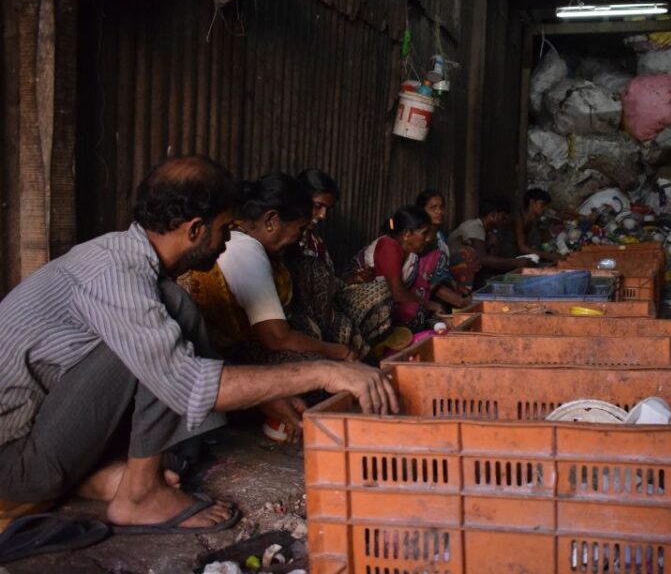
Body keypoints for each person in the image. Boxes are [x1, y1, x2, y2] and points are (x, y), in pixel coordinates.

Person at [0, 156, 396, 537]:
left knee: (177, 312)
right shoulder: (114, 274)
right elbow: (187, 384)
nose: (227, 241)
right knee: (162, 345)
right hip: (14, 462)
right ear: (194, 229)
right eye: (225, 228)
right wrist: (325, 371)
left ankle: (106, 477)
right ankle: (137, 495)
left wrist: (261, 397)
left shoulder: (127, 259)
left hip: (41, 430)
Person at [181, 173, 357, 363]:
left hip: (234, 348)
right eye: (299, 229)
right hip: (229, 356)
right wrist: (338, 351)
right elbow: (276, 337)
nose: (299, 238)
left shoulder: (244, 238)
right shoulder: (246, 249)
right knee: (320, 368)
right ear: (271, 220)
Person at [285, 170, 392, 359]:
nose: (323, 215)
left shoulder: (315, 241)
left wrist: (349, 280)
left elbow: (325, 282)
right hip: (299, 310)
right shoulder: (286, 238)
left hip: (327, 303)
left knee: (379, 291)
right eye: (318, 206)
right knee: (342, 329)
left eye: (327, 209)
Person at [345, 206, 442, 332]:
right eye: (424, 233)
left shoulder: (410, 253)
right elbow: (398, 294)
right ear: (407, 234)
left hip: (384, 304)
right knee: (413, 311)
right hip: (359, 306)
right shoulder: (389, 246)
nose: (428, 239)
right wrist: (430, 305)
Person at [448, 195, 532, 288]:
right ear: (493, 215)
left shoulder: (489, 232)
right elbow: (483, 259)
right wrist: (515, 262)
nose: (504, 221)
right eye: (503, 217)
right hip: (452, 275)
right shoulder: (474, 226)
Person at [415, 190, 469, 308]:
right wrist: (461, 302)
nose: (439, 212)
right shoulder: (418, 239)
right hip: (418, 292)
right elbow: (428, 278)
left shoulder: (440, 237)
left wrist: (456, 287)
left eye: (441, 207)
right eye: (433, 208)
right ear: (422, 210)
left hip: (436, 289)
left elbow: (443, 273)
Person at [513, 188, 561, 263]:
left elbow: (544, 240)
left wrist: (551, 251)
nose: (544, 208)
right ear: (532, 202)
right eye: (542, 204)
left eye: (546, 206)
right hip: (511, 257)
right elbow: (522, 247)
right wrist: (548, 255)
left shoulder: (536, 220)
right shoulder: (518, 217)